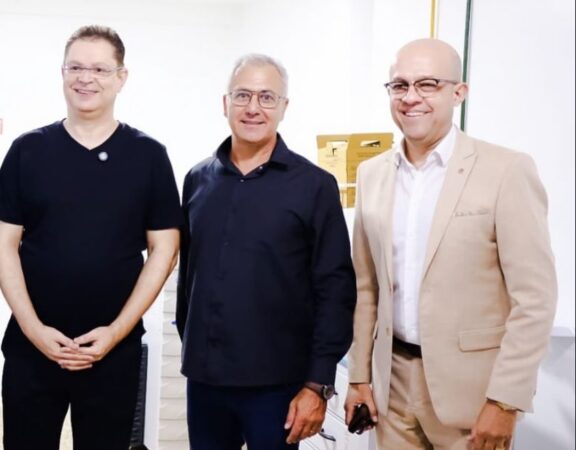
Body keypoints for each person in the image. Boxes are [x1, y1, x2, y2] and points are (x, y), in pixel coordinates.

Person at [343, 38, 557, 450]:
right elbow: (365, 289)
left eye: (427, 85)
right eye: (399, 86)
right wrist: (359, 377)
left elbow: (535, 299)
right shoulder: (372, 176)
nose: (410, 98)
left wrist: (505, 400)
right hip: (393, 389)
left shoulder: (506, 170)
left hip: (473, 396)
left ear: (458, 93)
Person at [0, 25, 181, 450]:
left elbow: (164, 249)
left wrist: (116, 331)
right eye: (75, 66)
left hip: (112, 351)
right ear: (62, 73)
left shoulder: (148, 155)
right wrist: (33, 327)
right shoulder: (28, 150)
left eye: (98, 68)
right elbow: (4, 244)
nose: (85, 78)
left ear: (121, 77)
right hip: (31, 349)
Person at [176, 54, 357, 449]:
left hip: (279, 389)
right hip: (206, 382)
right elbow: (189, 275)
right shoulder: (197, 180)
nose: (253, 108)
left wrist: (318, 383)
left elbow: (336, 289)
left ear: (284, 107)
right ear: (225, 103)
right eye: (242, 95)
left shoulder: (314, 186)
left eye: (266, 97)